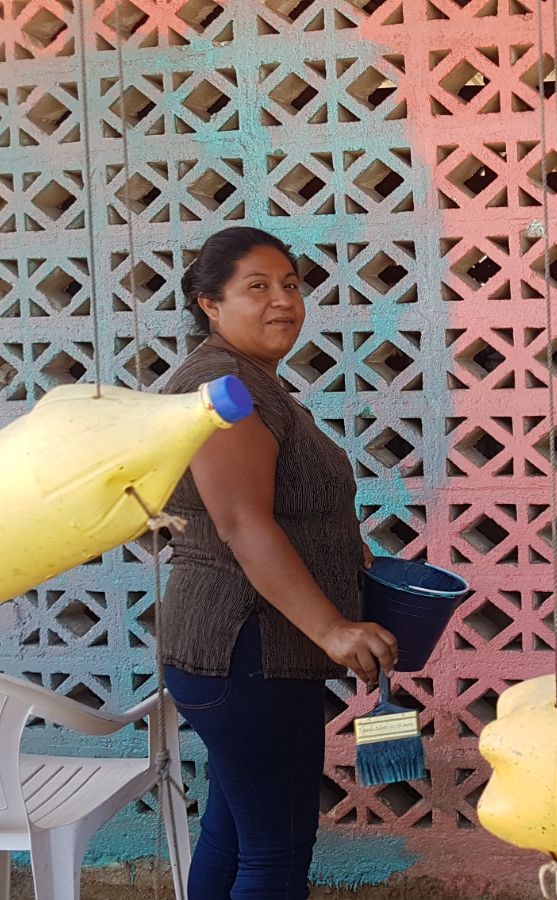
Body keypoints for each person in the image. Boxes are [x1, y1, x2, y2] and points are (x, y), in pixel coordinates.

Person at [158, 226, 398, 899]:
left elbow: (282, 506)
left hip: (238, 650)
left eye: (291, 286)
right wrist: (333, 629)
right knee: (276, 853)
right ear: (210, 302)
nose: (283, 301)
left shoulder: (250, 382)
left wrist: (343, 552)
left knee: (235, 836)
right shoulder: (224, 387)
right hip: (248, 650)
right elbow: (241, 522)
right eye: (257, 287)